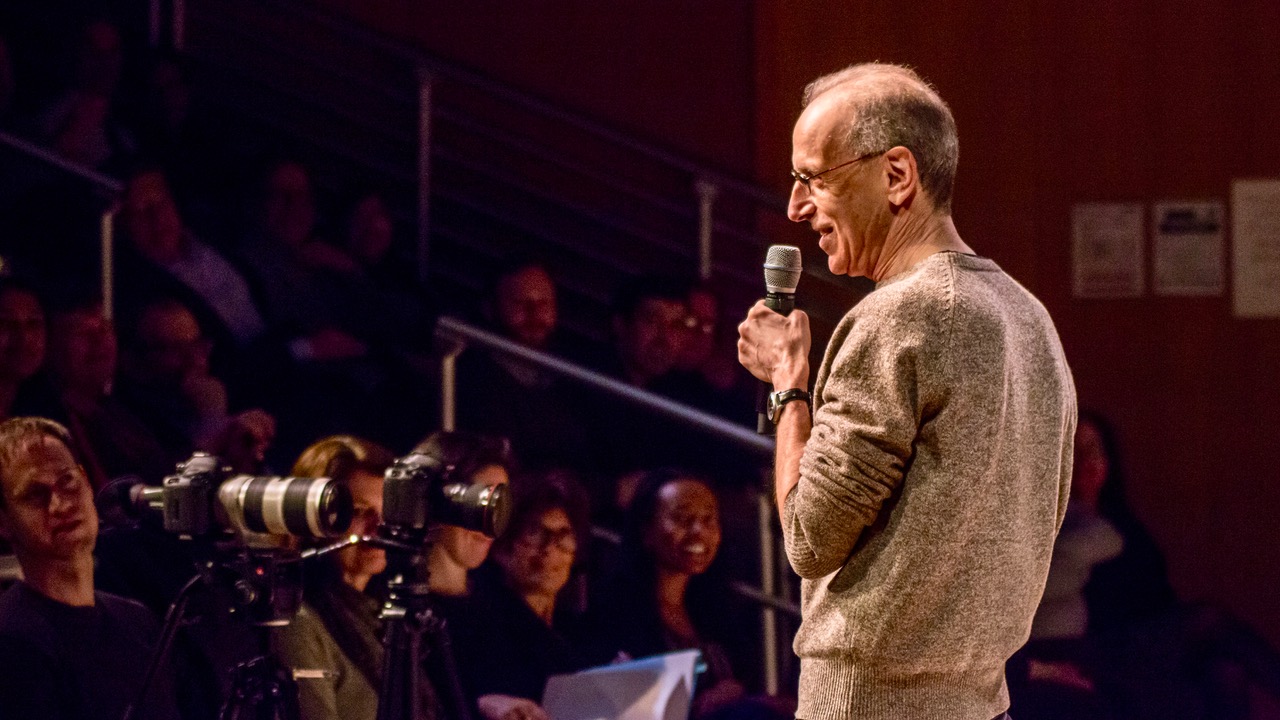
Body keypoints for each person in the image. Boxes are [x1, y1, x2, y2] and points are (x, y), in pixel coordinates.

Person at [736, 63, 1076, 720]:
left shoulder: (899, 319)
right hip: (984, 702)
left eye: (814, 178)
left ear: (896, 175)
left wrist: (789, 388)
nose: (795, 206)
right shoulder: (1027, 314)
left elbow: (808, 539)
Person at [0, 416, 180, 719]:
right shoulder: (10, 641)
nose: (61, 504)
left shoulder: (138, 621)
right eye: (34, 494)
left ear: (86, 481)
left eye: (67, 481)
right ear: (4, 522)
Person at [273, 435, 440, 720]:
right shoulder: (298, 621)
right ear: (313, 517)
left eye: (387, 513)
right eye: (361, 511)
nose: (379, 528)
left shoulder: (382, 611)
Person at [583, 468, 755, 718]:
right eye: (683, 518)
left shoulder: (717, 605)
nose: (698, 531)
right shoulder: (613, 608)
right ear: (647, 532)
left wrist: (734, 689)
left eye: (709, 520)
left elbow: (747, 675)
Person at [452, 473, 591, 720]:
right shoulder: (479, 625)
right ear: (504, 548)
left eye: (563, 537)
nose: (549, 550)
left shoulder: (576, 629)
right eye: (535, 534)